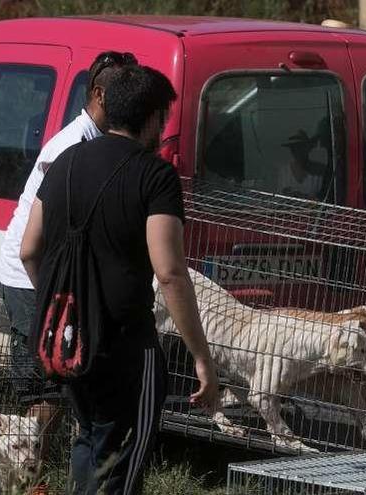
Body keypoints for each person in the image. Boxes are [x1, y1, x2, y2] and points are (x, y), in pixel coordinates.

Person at [20, 65, 219, 495]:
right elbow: (169, 272)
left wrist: (60, 301)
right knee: (121, 463)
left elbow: (28, 249)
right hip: (127, 346)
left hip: (70, 342)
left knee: (89, 441)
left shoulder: (63, 162)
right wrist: (200, 356)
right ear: (151, 118)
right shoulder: (155, 176)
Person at [0, 51, 137, 488]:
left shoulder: (95, 141)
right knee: (45, 387)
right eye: (121, 91)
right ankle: (26, 477)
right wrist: (52, 297)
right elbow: (41, 237)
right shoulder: (71, 146)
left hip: (46, 275)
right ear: (99, 94)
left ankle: (33, 471)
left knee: (59, 383)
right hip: (31, 278)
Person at [279, 129, 326, 199]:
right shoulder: (284, 172)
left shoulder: (320, 171)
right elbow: (279, 197)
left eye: (300, 147)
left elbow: (325, 199)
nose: (297, 151)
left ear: (308, 148)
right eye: (294, 148)